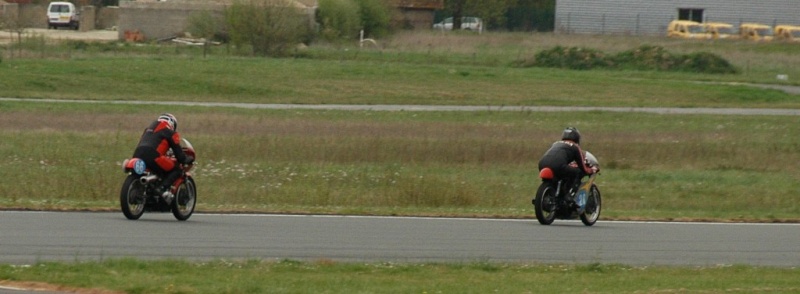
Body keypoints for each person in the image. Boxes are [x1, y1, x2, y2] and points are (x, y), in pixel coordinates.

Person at [132, 113, 194, 201]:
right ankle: (161, 188)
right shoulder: (170, 133)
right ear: (172, 124)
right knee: (177, 169)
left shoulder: (148, 130)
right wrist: (186, 159)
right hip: (153, 156)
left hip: (137, 154)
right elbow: (179, 156)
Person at [538, 127, 597, 199]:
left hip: (542, 164)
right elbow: (583, 167)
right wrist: (591, 170)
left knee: (556, 178)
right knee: (578, 172)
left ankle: (552, 194)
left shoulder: (556, 143)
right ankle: (569, 196)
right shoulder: (575, 147)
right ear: (577, 138)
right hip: (558, 165)